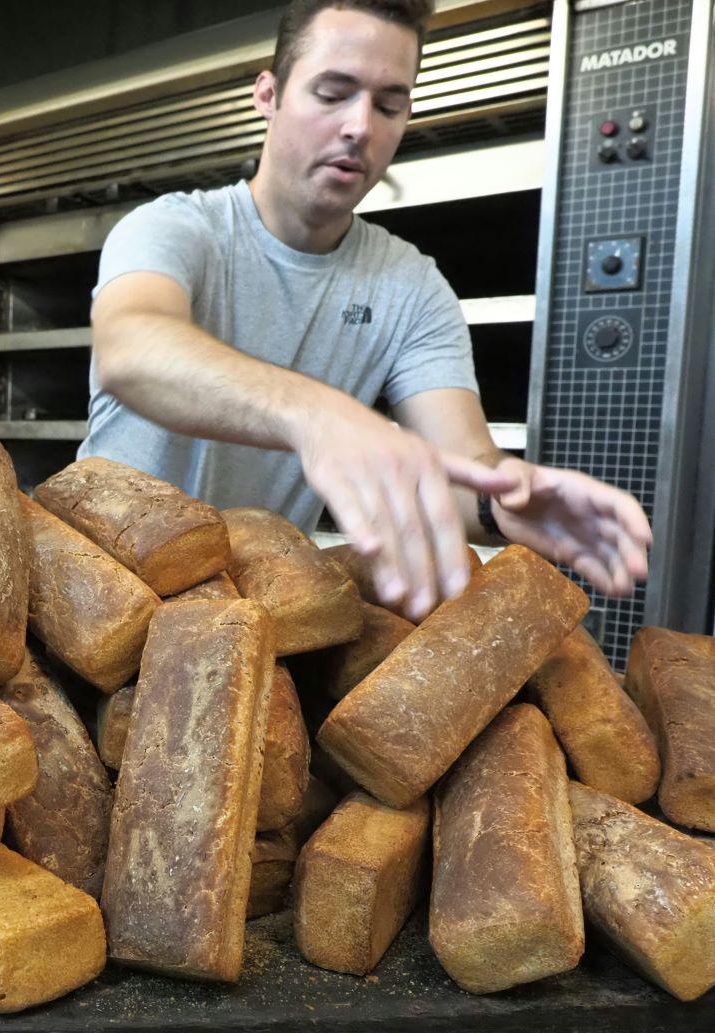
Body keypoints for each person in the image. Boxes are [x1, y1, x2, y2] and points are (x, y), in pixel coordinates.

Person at [81, 0, 652, 621]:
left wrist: (502, 503)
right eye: (333, 93)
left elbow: (463, 467)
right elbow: (130, 347)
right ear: (269, 95)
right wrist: (317, 416)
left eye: (388, 105)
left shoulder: (411, 285)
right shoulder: (175, 227)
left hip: (253, 617)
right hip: (98, 602)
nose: (360, 126)